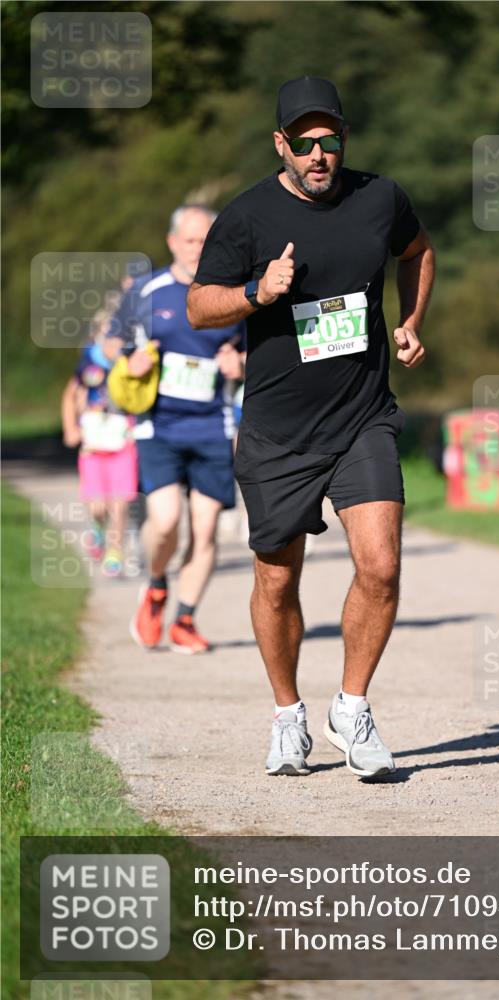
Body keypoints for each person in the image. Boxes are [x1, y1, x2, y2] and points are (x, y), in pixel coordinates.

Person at [187, 76, 435, 777]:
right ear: (281, 145)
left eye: (330, 139)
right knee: (275, 581)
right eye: (304, 142)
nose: (319, 154)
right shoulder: (246, 218)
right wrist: (254, 291)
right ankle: (287, 716)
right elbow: (198, 306)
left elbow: (417, 251)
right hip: (277, 431)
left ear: (343, 139)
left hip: (362, 417)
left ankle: (351, 710)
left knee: (380, 567)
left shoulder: (379, 197)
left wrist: (411, 321)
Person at [106, 205, 246, 653]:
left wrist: (238, 364)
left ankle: (184, 619)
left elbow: (254, 353)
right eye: (189, 240)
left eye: (206, 240)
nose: (197, 249)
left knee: (204, 532)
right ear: (172, 243)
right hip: (159, 426)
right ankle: (156, 586)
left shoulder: (233, 295)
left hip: (213, 425)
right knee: (165, 522)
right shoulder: (148, 291)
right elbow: (110, 341)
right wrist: (130, 358)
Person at [62, 302, 138, 577]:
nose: (113, 343)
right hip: (93, 443)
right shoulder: (88, 361)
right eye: (107, 335)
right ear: (98, 335)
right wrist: (71, 428)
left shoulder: (131, 362)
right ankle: (97, 529)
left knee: (120, 502)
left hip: (122, 441)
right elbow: (70, 395)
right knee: (98, 506)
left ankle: (115, 551)